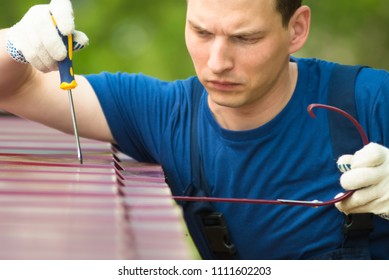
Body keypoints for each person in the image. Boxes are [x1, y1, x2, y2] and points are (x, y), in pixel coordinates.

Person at [1, 0, 389, 259]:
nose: (217, 63)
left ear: (297, 28)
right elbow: (15, 87)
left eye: (244, 38)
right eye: (202, 33)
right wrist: (16, 45)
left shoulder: (372, 100)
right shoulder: (164, 114)